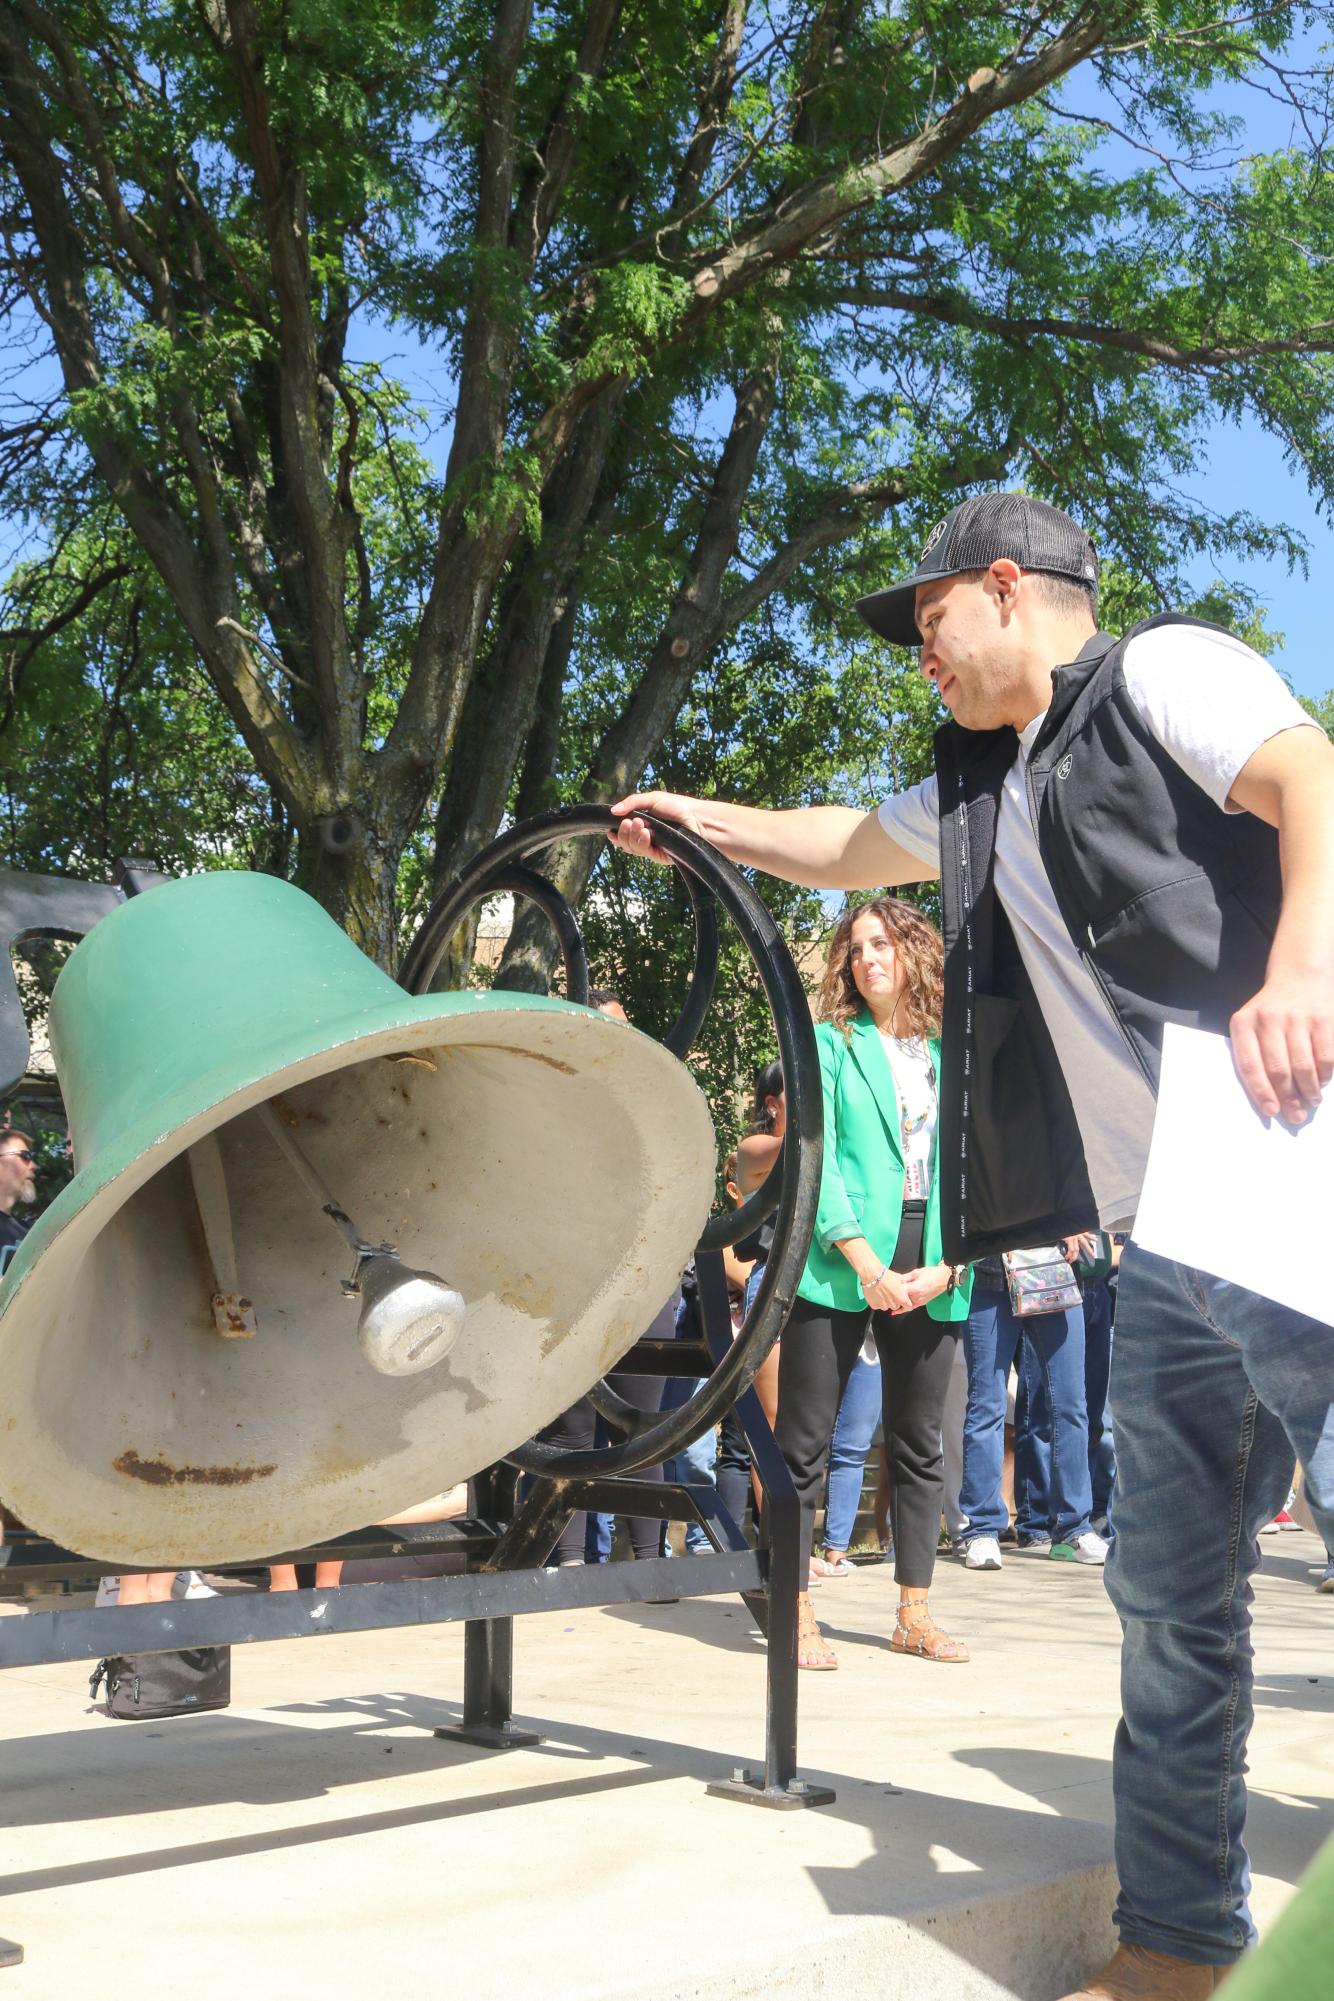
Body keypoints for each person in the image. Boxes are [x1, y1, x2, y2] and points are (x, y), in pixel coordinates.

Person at [610, 489, 1334, 2000]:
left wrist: (1301, 964)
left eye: (927, 619)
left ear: (1006, 589)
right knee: (1169, 1599)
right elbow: (834, 847)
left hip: (1296, 1182)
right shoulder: (966, 792)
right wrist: (700, 823)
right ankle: (1178, 1944)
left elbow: (1307, 773)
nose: (918, 654)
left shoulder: (1161, 675)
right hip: (1165, 1237)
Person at [773, 898, 973, 1669]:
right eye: (855, 948)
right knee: (804, 1443)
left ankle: (914, 1613)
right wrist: (868, 1264)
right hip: (841, 1257)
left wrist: (951, 1265)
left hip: (938, 1254)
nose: (867, 958)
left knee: (921, 1443)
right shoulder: (829, 1043)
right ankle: (794, 1608)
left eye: (882, 942)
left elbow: (978, 1168)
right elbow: (813, 1157)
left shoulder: (953, 1051)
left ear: (912, 951)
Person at [960, 1243, 1105, 1568]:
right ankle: (982, 1529)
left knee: (1071, 1405)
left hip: (1053, 1268)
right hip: (990, 1271)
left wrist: (1076, 1220)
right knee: (987, 1405)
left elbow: (1077, 1192)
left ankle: (1074, 1527)